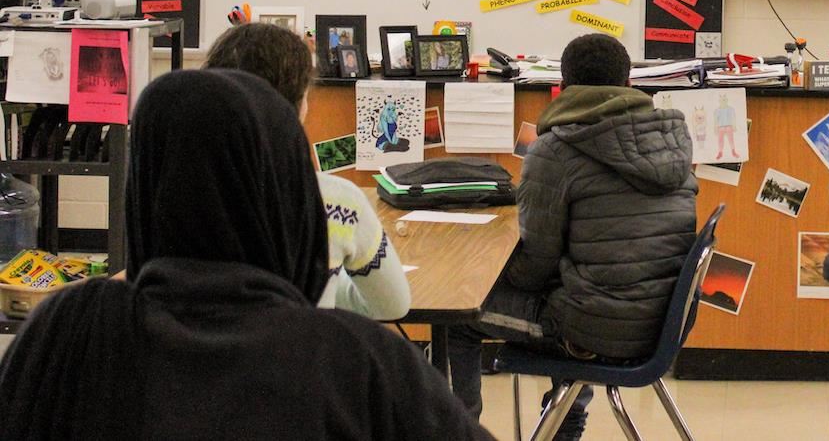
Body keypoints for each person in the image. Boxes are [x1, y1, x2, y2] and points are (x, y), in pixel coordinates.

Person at [0, 69, 489, 440]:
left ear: (144, 185)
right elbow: (393, 306)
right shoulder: (353, 359)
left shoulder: (71, 332)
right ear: (286, 189)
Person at [449, 33, 698, 439]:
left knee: (460, 316)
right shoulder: (671, 142)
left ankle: (459, 432)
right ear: (630, 85)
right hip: (664, 323)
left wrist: (490, 268)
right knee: (579, 279)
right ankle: (565, 421)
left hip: (598, 330)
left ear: (561, 89)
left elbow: (533, 269)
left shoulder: (554, 151)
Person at [205, 22, 410, 321]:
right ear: (298, 105)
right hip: (297, 362)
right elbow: (392, 306)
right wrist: (331, 279)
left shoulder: (174, 193)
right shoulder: (337, 201)